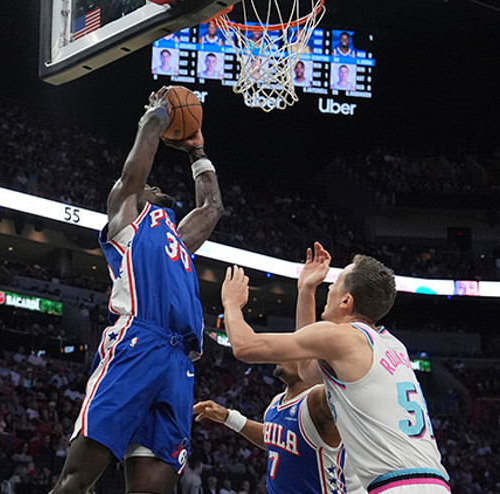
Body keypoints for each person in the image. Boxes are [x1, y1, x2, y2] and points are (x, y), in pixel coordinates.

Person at [49, 86, 224, 494]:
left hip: (179, 360)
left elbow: (212, 206)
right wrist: (158, 114)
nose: (156, 187)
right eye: (150, 186)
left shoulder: (178, 238)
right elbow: (134, 173)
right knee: (76, 481)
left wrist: (197, 150)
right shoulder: (127, 215)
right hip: (137, 342)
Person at [220, 243, 450, 493]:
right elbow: (307, 370)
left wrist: (231, 304)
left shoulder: (344, 337)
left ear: (346, 300)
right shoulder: (392, 345)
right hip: (435, 481)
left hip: (395, 486)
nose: (329, 288)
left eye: (336, 282)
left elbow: (244, 347)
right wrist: (306, 290)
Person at [195, 244, 365, 494]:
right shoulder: (277, 402)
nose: (285, 353)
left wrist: (231, 304)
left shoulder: (320, 402)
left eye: (292, 351)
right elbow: (275, 439)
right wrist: (228, 417)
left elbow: (250, 346)